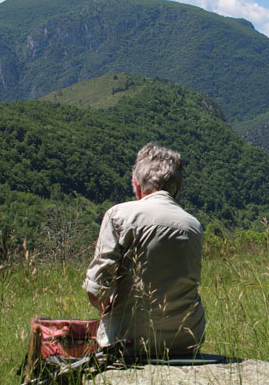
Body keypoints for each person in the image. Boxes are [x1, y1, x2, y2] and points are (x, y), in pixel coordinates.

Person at [82, 143, 206, 358]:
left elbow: (96, 291)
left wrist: (109, 310)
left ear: (136, 185)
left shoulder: (119, 215)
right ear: (177, 189)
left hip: (128, 339)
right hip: (187, 339)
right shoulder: (194, 226)